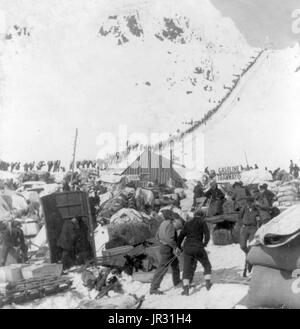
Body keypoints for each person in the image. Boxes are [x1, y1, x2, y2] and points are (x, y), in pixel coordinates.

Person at [177, 210, 212, 295]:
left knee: (186, 268)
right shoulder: (202, 222)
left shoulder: (187, 223)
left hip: (187, 248)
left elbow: (181, 235)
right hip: (198, 247)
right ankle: (207, 283)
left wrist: (178, 246)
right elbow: (207, 236)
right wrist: (204, 244)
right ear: (202, 216)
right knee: (207, 264)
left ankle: (186, 289)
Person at [150, 210, 183, 295]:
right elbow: (169, 239)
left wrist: (162, 241)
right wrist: (175, 247)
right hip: (167, 248)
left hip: (164, 246)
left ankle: (177, 282)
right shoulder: (170, 225)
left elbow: (157, 235)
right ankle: (154, 288)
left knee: (175, 264)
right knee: (162, 268)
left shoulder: (163, 223)